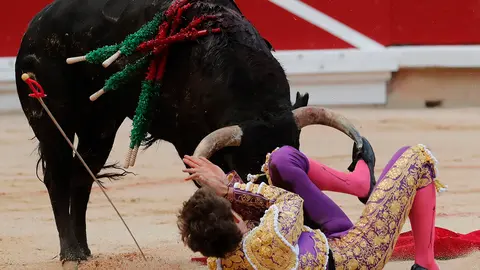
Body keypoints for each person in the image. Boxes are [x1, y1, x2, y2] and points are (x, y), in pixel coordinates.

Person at [177, 142, 446, 270]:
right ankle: (425, 264)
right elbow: (290, 200)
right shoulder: (271, 237)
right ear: (235, 221)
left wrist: (231, 189)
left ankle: (359, 184)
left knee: (280, 161)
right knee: (416, 158)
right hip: (357, 255)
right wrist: (228, 187)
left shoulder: (219, 263)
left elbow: (254, 219)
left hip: (326, 246)